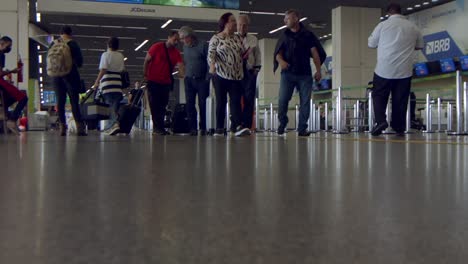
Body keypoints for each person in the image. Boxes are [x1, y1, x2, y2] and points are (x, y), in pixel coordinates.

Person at [368, 3, 424, 136]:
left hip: (384, 69)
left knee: (379, 96)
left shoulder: (382, 25)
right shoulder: (413, 27)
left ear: (388, 13)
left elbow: (371, 44)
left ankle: (381, 120)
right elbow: (419, 46)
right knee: (400, 99)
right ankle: (399, 126)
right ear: (401, 12)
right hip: (404, 70)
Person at [273, 9, 323, 137]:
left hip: (304, 74)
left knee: (305, 101)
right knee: (283, 99)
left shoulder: (308, 35)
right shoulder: (284, 35)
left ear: (296, 19)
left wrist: (318, 70)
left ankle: (302, 128)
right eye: (285, 19)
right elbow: (278, 53)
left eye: (287, 19)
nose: (285, 21)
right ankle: (282, 122)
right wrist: (281, 61)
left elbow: (315, 53)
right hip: (287, 73)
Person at [208, 12, 247, 137]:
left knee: (235, 101)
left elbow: (241, 53)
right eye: (232, 21)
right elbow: (211, 54)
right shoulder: (216, 38)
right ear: (225, 23)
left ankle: (237, 126)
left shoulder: (237, 38)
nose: (235, 23)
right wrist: (212, 65)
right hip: (220, 75)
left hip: (235, 75)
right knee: (221, 101)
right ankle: (220, 128)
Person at [143, 31, 184, 135]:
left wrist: (182, 74)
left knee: (162, 105)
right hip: (153, 81)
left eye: (178, 41)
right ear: (169, 37)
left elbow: (180, 65)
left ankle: (159, 128)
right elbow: (147, 60)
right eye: (174, 39)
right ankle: (157, 128)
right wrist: (145, 75)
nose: (176, 42)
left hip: (166, 83)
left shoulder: (176, 53)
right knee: (154, 105)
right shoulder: (156, 47)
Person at [49, 26, 86, 136]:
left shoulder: (53, 44)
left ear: (60, 33)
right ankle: (80, 127)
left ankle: (62, 128)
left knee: (60, 102)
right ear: (70, 33)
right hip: (70, 75)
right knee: (74, 101)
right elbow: (79, 62)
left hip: (56, 76)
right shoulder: (72, 44)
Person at [179, 26, 210, 136]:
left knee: (202, 104)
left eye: (184, 38)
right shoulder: (185, 47)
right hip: (189, 80)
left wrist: (207, 78)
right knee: (190, 105)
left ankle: (203, 128)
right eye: (181, 39)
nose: (183, 41)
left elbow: (209, 62)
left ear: (190, 36)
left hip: (202, 79)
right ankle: (193, 128)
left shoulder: (203, 45)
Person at [93, 37, 125, 136]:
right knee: (114, 106)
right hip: (118, 83)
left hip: (108, 84)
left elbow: (103, 70)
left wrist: (97, 82)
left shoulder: (106, 55)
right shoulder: (120, 55)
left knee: (110, 106)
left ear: (108, 45)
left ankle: (114, 124)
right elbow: (122, 70)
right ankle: (111, 126)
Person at [237, 14, 261, 135]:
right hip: (235, 72)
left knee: (249, 99)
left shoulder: (253, 39)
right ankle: (237, 123)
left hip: (249, 71)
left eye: (244, 25)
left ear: (248, 26)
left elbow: (258, 55)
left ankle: (246, 125)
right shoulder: (232, 38)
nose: (242, 27)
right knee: (236, 99)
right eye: (240, 25)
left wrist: (256, 70)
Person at [0, 36, 28, 135]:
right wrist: (12, 71)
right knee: (23, 98)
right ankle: (12, 120)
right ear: (2, 43)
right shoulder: (1, 54)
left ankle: (4, 113)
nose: (9, 48)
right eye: (9, 46)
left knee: (7, 100)